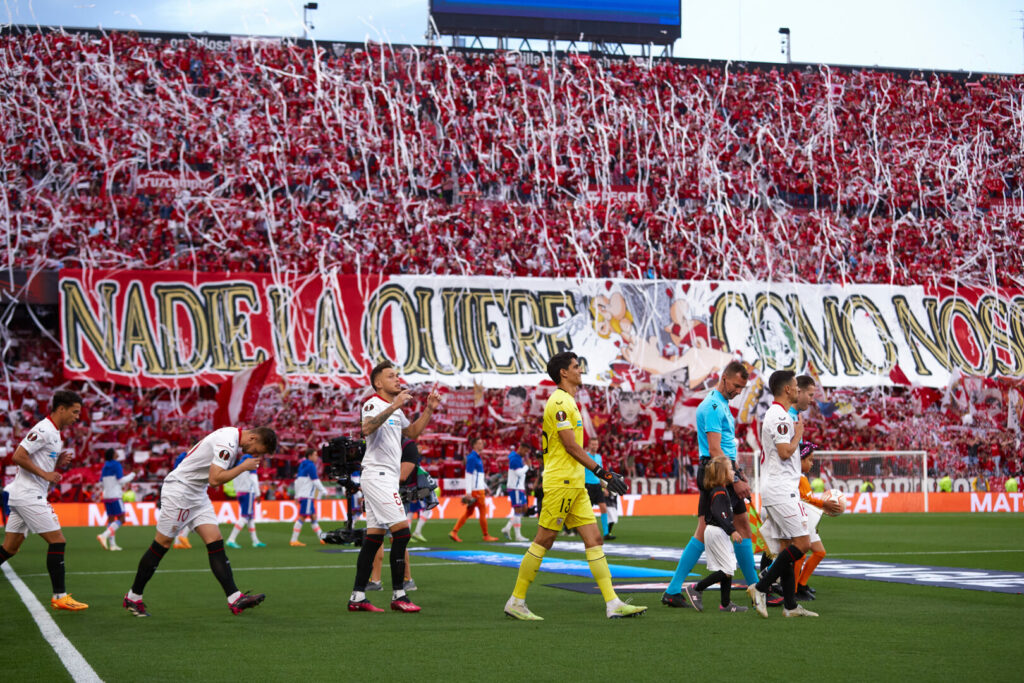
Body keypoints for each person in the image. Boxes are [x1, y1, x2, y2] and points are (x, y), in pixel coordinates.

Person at [503, 351, 646, 620]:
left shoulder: (568, 401)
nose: (580, 370)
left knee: (594, 539)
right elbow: (570, 446)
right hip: (561, 483)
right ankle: (516, 601)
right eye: (576, 367)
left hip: (576, 484)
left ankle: (612, 603)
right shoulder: (559, 402)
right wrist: (602, 473)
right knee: (544, 540)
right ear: (563, 373)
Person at [122, 426, 277, 617]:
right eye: (257, 450)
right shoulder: (228, 443)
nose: (254, 454)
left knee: (215, 540)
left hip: (197, 493)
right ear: (253, 438)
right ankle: (133, 597)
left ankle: (235, 598)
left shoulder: (231, 435)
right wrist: (242, 468)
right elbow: (215, 479)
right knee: (162, 543)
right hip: (180, 491)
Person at [348, 361, 441, 613]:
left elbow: (411, 433)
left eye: (397, 375)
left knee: (373, 539)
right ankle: (399, 594)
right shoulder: (372, 403)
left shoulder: (393, 409)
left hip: (385, 476)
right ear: (378, 383)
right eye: (391, 376)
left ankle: (357, 597)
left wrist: (429, 410)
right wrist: (394, 405)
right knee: (402, 532)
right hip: (377, 475)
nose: (397, 379)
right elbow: (365, 428)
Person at [662, 361, 757, 608]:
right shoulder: (714, 405)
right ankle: (757, 588)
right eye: (736, 385)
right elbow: (715, 449)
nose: (738, 391)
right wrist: (734, 480)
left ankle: (673, 590)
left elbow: (725, 447)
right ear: (724, 378)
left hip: (721, 470)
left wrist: (738, 472)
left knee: (713, 529)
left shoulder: (722, 404)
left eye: (742, 388)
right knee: (730, 528)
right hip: (716, 472)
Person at [0, 390, 89, 611]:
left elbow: (37, 459)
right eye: (75, 412)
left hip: (22, 496)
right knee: (58, 540)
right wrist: (46, 474)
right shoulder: (43, 429)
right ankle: (59, 596)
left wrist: (56, 461)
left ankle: (60, 596)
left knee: (10, 547)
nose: (77, 417)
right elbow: (18, 456)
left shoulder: (55, 433)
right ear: (61, 408)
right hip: (29, 496)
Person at [746, 370, 818, 618]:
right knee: (803, 544)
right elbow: (785, 451)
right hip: (781, 489)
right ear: (787, 389)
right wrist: (798, 434)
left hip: (777, 487)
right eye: (797, 386)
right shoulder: (780, 416)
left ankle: (790, 606)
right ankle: (761, 587)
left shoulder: (780, 415)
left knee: (787, 546)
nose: (798, 390)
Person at [685, 456, 748, 613]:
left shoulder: (720, 490)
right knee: (727, 569)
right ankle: (696, 588)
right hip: (717, 531)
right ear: (722, 473)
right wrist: (732, 530)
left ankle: (725, 604)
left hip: (718, 532)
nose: (733, 472)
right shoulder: (719, 492)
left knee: (727, 566)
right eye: (730, 469)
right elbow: (720, 514)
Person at [369, 439, 425, 592]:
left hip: (397, 495)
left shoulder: (407, 446)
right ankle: (376, 580)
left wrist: (377, 479)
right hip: (382, 492)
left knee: (395, 538)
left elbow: (403, 476)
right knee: (377, 536)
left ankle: (405, 579)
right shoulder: (384, 444)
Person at [449, 437, 498, 542]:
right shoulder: (472, 458)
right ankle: (485, 535)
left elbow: (478, 476)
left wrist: (486, 487)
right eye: (480, 443)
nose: (482, 445)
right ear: (474, 445)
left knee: (469, 512)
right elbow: (469, 475)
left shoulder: (476, 457)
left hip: (478, 489)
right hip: (477, 491)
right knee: (482, 512)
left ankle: (454, 531)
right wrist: (468, 493)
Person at [96, 449, 136, 551]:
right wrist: (132, 475)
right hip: (115, 496)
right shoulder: (117, 464)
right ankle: (104, 535)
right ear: (113, 455)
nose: (117, 452)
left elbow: (101, 482)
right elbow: (121, 480)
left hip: (106, 496)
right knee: (122, 519)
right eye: (115, 451)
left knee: (111, 520)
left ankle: (112, 545)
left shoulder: (105, 466)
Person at [226, 454, 265, 548]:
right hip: (248, 493)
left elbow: (234, 479)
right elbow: (254, 480)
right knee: (244, 517)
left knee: (250, 517)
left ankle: (255, 541)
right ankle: (231, 539)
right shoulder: (251, 463)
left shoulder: (239, 465)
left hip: (240, 493)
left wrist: (237, 491)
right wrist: (258, 494)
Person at [291, 449, 327, 546]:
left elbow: (297, 482)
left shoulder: (302, 465)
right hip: (307, 496)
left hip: (304, 496)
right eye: (315, 455)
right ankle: (294, 540)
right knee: (302, 517)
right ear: (310, 456)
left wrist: (296, 495)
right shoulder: (311, 465)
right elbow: (315, 481)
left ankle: (322, 538)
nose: (316, 457)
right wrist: (323, 490)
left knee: (313, 517)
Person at [501, 442, 529, 541]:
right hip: (515, 487)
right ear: (520, 448)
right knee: (517, 510)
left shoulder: (516, 457)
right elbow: (518, 473)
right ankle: (518, 535)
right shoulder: (515, 459)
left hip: (520, 487)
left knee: (524, 508)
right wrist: (527, 467)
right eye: (525, 451)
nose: (526, 453)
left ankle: (507, 528)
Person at [583, 436, 611, 538]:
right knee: (587, 511)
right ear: (589, 445)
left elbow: (601, 474)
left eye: (596, 444)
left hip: (597, 486)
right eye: (593, 444)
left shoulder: (599, 457)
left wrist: (605, 488)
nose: (595, 446)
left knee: (603, 508)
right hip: (587, 486)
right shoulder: (585, 456)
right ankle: (587, 532)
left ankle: (606, 533)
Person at [170, 450, 193, 549]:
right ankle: (182, 537)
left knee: (181, 515)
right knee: (191, 513)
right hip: (187, 488)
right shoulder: (190, 456)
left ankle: (177, 542)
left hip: (179, 487)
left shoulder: (180, 457)